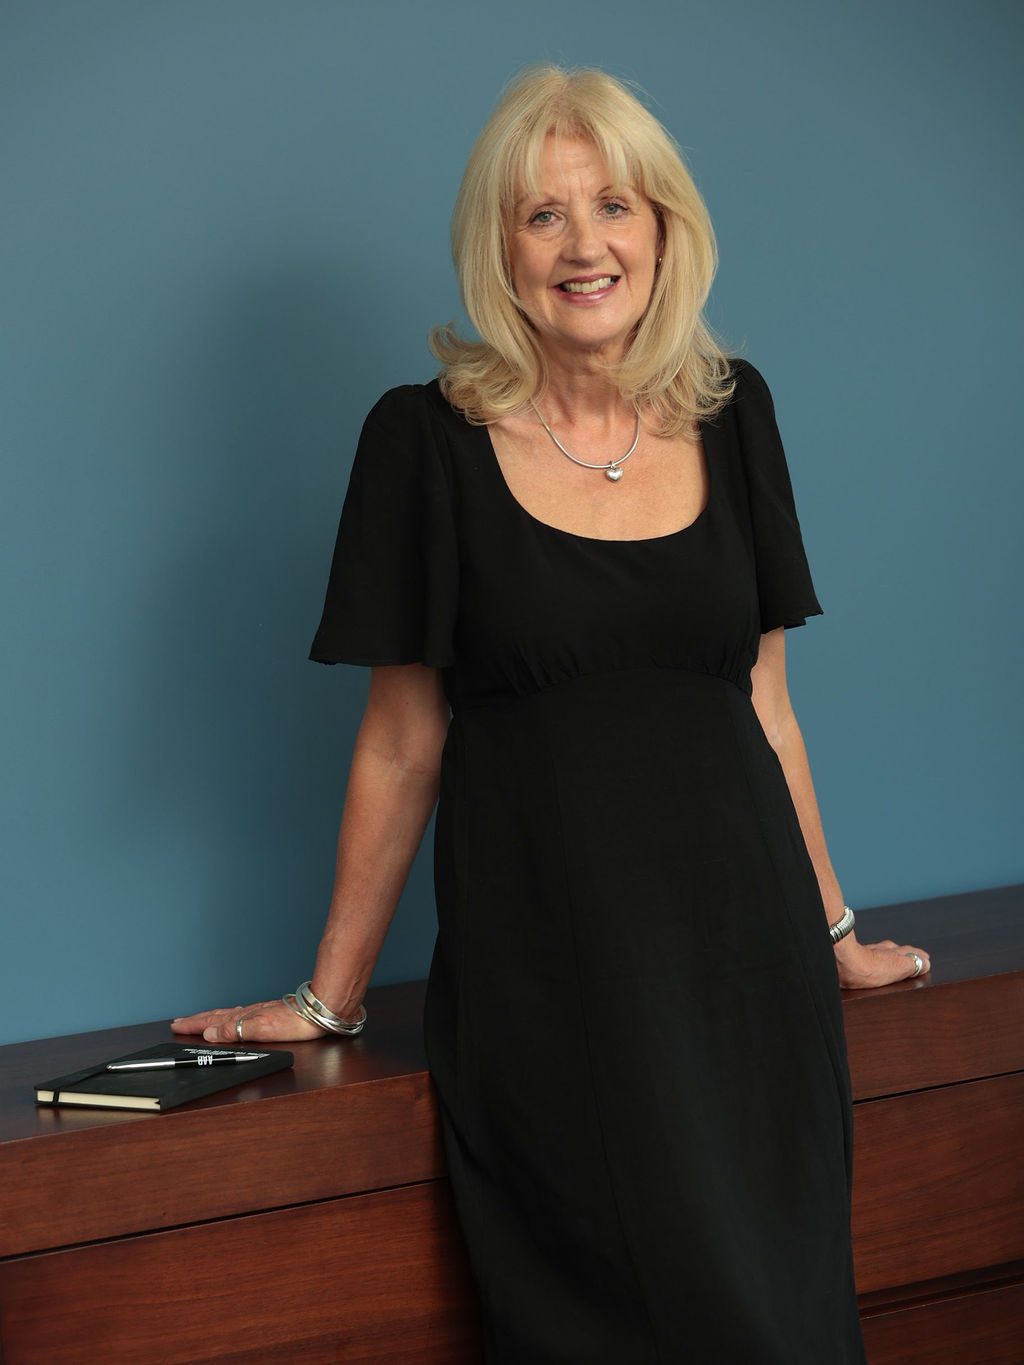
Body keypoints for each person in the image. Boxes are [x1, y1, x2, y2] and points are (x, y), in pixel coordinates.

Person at [173, 63, 931, 1363]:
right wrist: (331, 995)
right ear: (499, 251)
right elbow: (405, 740)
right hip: (557, 982)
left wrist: (838, 931)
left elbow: (767, 707)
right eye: (543, 216)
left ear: (664, 229)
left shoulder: (736, 414)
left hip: (751, 977)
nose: (586, 244)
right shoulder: (424, 443)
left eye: (616, 206)